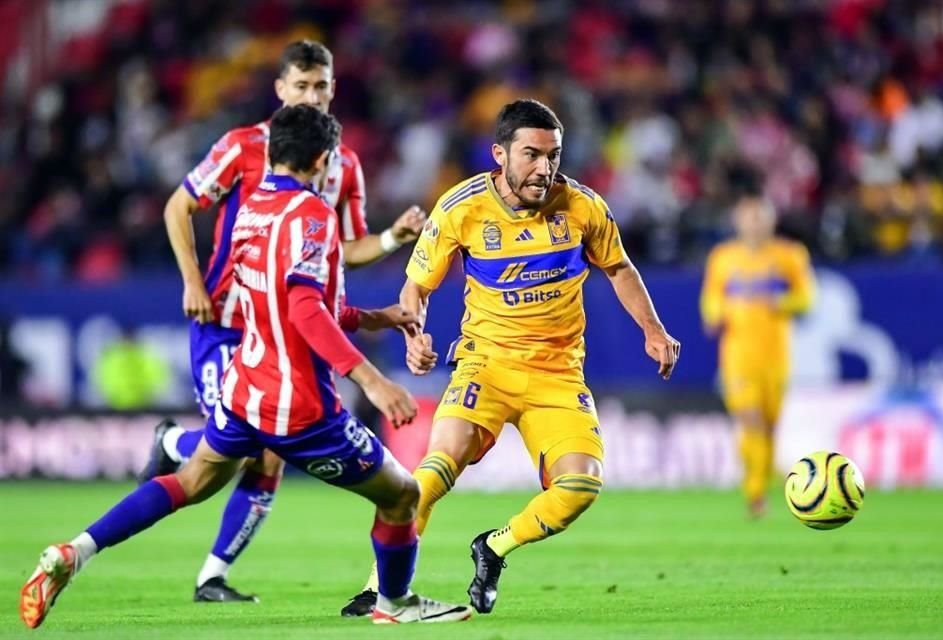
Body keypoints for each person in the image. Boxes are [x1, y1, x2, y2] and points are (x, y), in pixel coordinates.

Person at [19, 105, 472, 630]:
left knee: (191, 481)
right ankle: (394, 603)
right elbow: (303, 308)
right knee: (402, 495)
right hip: (300, 406)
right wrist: (371, 379)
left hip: (244, 390)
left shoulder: (250, 210)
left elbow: (293, 301)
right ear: (323, 160)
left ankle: (74, 552)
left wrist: (376, 318)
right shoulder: (313, 216)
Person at [340, 99, 681, 617]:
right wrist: (413, 333)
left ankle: (495, 547)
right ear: (499, 154)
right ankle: (378, 588)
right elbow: (417, 286)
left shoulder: (584, 206)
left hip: (558, 375)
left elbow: (619, 268)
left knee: (581, 485)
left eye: (554, 155)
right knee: (434, 468)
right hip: (486, 364)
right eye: (531, 155)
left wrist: (652, 329)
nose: (544, 168)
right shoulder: (461, 206)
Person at [140, 40, 426, 602]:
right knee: (249, 444)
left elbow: (346, 247)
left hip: (279, 330)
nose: (312, 97)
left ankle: (212, 576)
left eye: (321, 86)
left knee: (264, 445)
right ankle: (174, 443)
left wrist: (391, 238)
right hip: (227, 319)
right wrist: (193, 281)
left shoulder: (342, 162)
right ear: (280, 89)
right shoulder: (243, 146)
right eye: (301, 86)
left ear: (334, 88)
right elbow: (179, 206)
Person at [700, 194, 815, 517]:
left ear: (771, 221)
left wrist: (781, 303)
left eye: (760, 217)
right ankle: (755, 493)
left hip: (776, 357)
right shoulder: (723, 257)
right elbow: (710, 299)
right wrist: (715, 314)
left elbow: (807, 298)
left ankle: (762, 482)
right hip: (738, 356)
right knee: (750, 420)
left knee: (769, 426)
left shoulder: (790, 255)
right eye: (748, 217)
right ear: (738, 221)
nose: (754, 223)